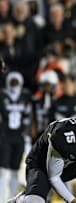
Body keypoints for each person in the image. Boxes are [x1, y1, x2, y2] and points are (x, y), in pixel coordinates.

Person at [8, 109, 76, 203]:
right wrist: (72, 200)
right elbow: (54, 177)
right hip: (41, 166)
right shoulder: (62, 136)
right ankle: (20, 200)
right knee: (35, 201)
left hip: (67, 164)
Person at [0, 71, 32, 202]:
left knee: (15, 169)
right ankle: (1, 198)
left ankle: (11, 198)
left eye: (16, 82)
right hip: (4, 136)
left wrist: (27, 134)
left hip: (19, 136)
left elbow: (28, 116)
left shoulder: (25, 96)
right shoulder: (2, 95)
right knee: (3, 170)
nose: (14, 85)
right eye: (12, 82)